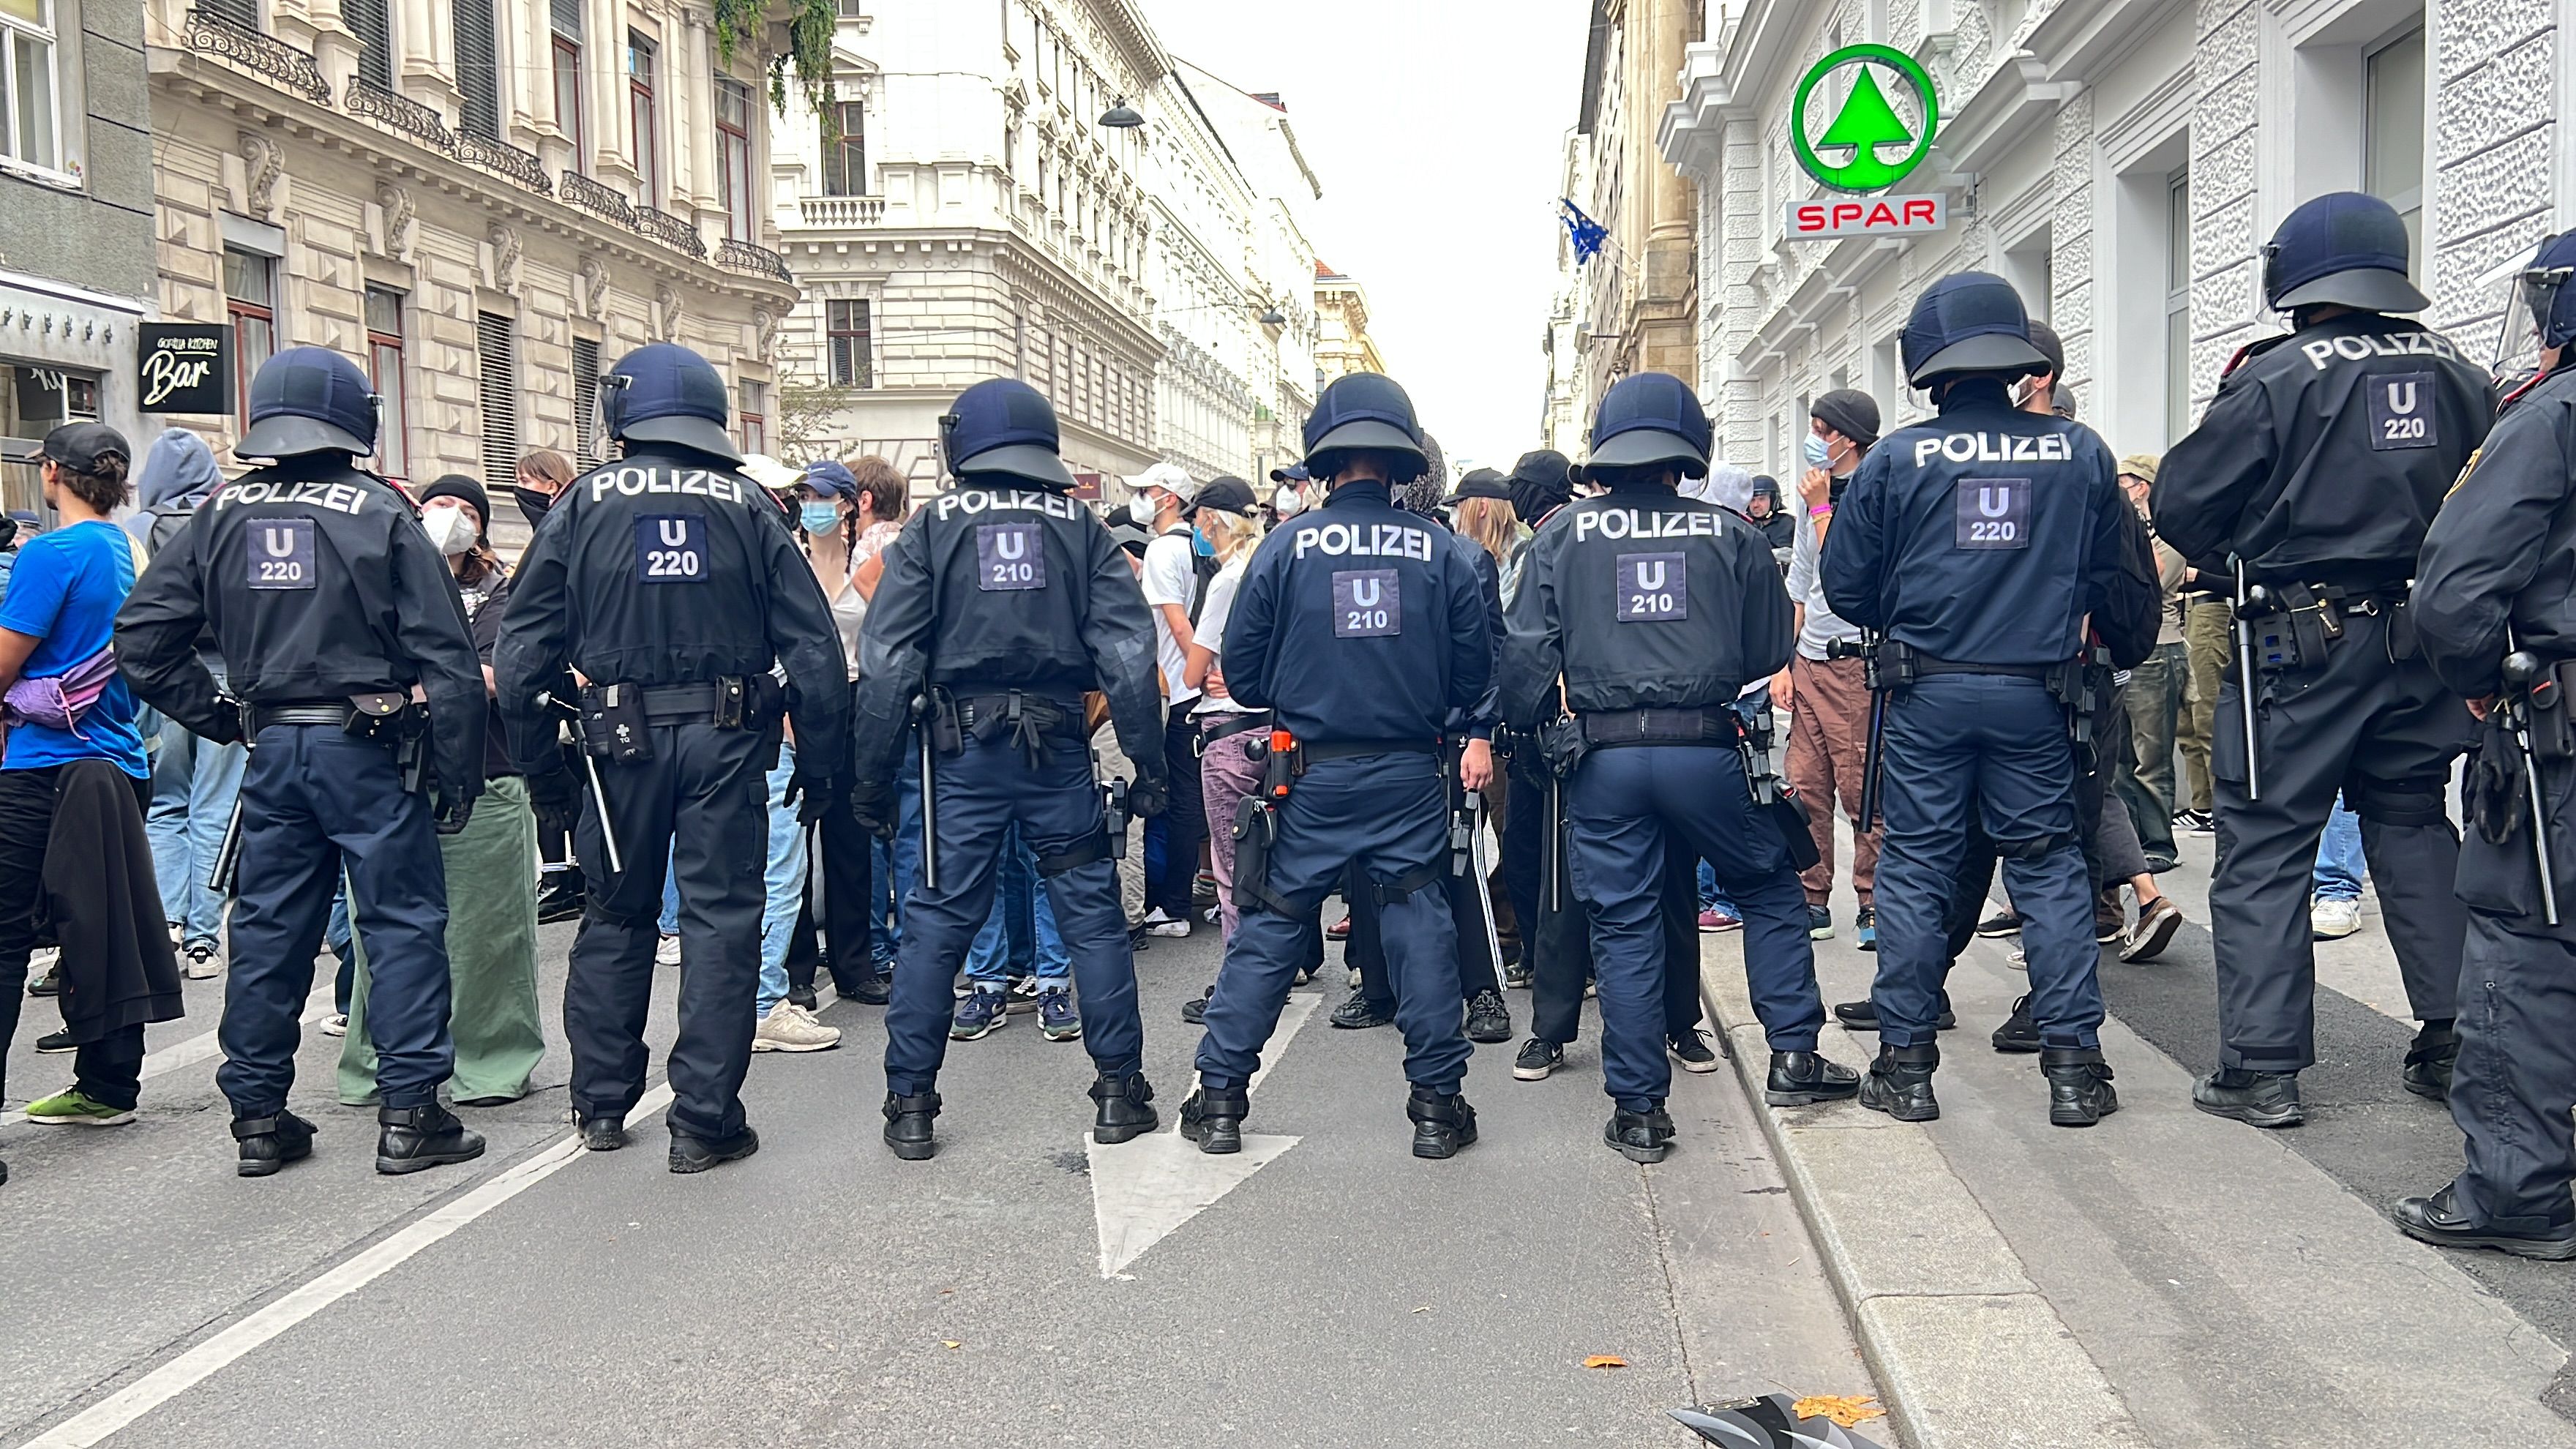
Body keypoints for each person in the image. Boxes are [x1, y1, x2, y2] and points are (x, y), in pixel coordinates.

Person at [2154, 192, 2490, 1128]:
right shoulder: (2460, 368)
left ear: (2294, 278)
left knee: (2264, 839)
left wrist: (2243, 551)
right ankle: (2451, 1037)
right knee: (2415, 823)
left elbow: (2183, 504)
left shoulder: (2276, 375)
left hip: (2299, 643)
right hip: (2420, 638)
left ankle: (2260, 1068)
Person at [119, 348, 487, 1177]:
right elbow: (449, 660)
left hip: (273, 750)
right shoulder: (381, 511)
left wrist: (222, 718)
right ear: (355, 416)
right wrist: (459, 777)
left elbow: (141, 640)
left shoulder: (222, 510)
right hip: (373, 750)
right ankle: (412, 1115)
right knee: (399, 928)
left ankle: (257, 1116)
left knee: (269, 932)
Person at [495, 342, 847, 1172]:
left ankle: (603, 1106)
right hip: (727, 741)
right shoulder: (749, 506)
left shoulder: (580, 505)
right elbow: (818, 658)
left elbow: (519, 662)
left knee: (616, 915)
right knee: (721, 921)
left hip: (616, 746)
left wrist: (542, 771)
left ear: (626, 411)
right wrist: (828, 770)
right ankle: (705, 1120)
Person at [1505, 373, 1856, 1161]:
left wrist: (1538, 728)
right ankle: (1794, 1054)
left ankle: (1638, 1112)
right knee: (1768, 888)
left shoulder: (1559, 538)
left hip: (1604, 760)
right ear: (1684, 452)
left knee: (1623, 924)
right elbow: (1770, 650)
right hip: (1705, 748)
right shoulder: (1730, 535)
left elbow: (1524, 659)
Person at [1821, 272, 2129, 1128]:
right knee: (2047, 867)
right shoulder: (2081, 452)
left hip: (1927, 692)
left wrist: (1915, 610)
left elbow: (1848, 586)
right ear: (2016, 364)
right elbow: (2109, 574)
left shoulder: (1895, 458)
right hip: (2039, 692)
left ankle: (1906, 1068)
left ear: (1930, 365)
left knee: (1917, 867)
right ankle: (2074, 1070)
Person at [854, 377, 1168, 1161]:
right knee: (1090, 919)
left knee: (935, 923)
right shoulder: (1083, 528)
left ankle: (911, 1102)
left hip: (960, 758)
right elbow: (1129, 660)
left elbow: (888, 662)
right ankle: (1119, 1091)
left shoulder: (930, 530)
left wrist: (868, 778)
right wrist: (1149, 763)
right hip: (1058, 751)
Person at [1183, 372, 1489, 1160]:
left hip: (1308, 775)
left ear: (1323, 459)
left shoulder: (1285, 545)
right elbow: (1471, 681)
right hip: (1409, 774)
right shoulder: (1443, 550)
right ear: (1401, 463)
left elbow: (1243, 678)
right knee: (1420, 926)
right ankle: (1435, 1106)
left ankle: (1219, 1099)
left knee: (1273, 926)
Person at [2395, 229, 2576, 1259]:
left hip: (2557, 735)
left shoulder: (2549, 416)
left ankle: (2516, 1193)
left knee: (2525, 945)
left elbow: (2455, 592)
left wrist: (2475, 687)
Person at [337, 474, 546, 1106]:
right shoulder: (377, 584)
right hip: (388, 777)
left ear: (480, 525)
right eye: (437, 503)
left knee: (489, 934)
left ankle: (489, 1062)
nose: (449, 514)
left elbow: (503, 675)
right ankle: (379, 1062)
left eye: (464, 507)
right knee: (378, 931)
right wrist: (447, 682)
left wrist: (415, 688)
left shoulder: (506, 596)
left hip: (488, 772)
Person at [1, 422, 179, 1157]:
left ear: (51, 472)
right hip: (115, 757)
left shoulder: (50, 552)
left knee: (6, 936)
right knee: (105, 924)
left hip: (45, 764)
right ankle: (108, 1086)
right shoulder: (123, 547)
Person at [1334, 440, 1513, 1046]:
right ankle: (1378, 984)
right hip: (1362, 738)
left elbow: (1488, 656)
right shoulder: (1344, 552)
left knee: (1456, 864)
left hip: (1444, 736)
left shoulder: (1462, 555)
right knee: (1366, 866)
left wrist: (1479, 734)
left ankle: (1482, 989)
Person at [128, 428, 241, 980]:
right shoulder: (225, 521)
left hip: (163, 680)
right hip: (226, 674)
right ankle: (203, 939)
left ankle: (165, 921)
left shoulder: (137, 530)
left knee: (165, 805)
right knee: (214, 806)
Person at [780, 460, 888, 1009]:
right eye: (803, 495)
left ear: (848, 503)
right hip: (799, 704)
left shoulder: (865, 565)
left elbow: (890, 632)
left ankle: (855, 964)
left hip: (856, 698)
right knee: (794, 841)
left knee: (851, 838)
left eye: (821, 495)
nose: (810, 505)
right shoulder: (788, 562)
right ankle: (798, 967)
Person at [1782, 389, 1882, 946]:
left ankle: (1872, 901)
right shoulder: (1809, 495)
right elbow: (1802, 580)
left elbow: (1851, 571)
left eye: (1823, 430)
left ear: (1848, 438)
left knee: (1862, 786)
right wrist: (1784, 660)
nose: (1815, 441)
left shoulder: (1873, 491)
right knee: (1804, 784)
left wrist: (1823, 508)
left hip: (1855, 662)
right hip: (1811, 658)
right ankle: (1811, 896)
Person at [1179, 476, 1269, 1020]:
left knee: (1232, 870)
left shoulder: (1226, 581)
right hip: (1273, 728)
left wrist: (1213, 669)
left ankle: (1239, 987)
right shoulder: (1267, 570)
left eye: (1198, 519)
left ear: (1215, 520)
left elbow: (1194, 672)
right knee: (1276, 862)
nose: (1195, 529)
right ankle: (1271, 973)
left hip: (1228, 732)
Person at [1130, 460, 1210, 938]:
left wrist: (1198, 676)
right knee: (1194, 799)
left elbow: (1178, 625)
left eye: (1147, 489)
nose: (1140, 496)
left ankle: (1174, 905)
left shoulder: (1162, 550)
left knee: (1177, 800)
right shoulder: (1197, 546)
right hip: (1198, 692)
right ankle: (1194, 896)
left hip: (1178, 690)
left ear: (1169, 498)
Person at [514, 449, 588, 925]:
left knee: (576, 779)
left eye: (533, 481)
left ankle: (575, 872)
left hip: (574, 675)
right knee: (551, 784)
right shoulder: (542, 534)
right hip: (553, 675)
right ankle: (560, 875)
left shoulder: (570, 528)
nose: (524, 490)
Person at [2114, 455, 2187, 872]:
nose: (2119, 487)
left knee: (2151, 757)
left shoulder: (2166, 534)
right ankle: (2130, 844)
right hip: (2129, 651)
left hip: (2159, 649)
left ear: (2143, 486)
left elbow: (2148, 578)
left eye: (2125, 480)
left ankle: (2159, 843)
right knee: (2121, 759)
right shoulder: (2131, 531)